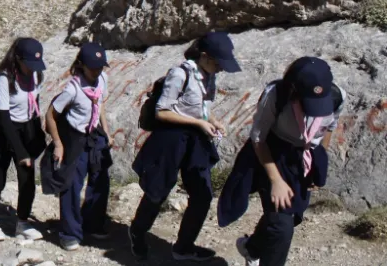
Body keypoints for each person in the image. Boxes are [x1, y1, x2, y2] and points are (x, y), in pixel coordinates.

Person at [218, 57, 346, 266]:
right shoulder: (276, 95)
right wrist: (276, 180)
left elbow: (328, 129)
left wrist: (317, 164)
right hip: (272, 154)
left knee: (291, 216)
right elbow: (258, 138)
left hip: (302, 158)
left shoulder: (337, 96)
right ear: (294, 89)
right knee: (281, 225)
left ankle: (252, 248)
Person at [129, 32, 241, 262]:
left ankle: (184, 246)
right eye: (218, 62)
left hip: (196, 140)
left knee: (202, 194)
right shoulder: (180, 74)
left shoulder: (209, 76)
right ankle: (137, 232)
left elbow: (201, 108)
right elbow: (162, 112)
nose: (220, 68)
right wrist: (198, 123)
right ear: (204, 56)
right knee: (157, 191)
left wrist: (213, 121)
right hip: (170, 138)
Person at [42, 42, 113, 251]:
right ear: (81, 65)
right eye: (93, 67)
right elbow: (50, 115)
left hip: (95, 135)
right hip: (75, 137)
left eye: (100, 67)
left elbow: (100, 103)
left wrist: (106, 131)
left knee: (100, 179)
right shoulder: (72, 89)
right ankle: (69, 232)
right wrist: (58, 144)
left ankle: (93, 223)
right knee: (72, 183)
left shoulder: (102, 78)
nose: (97, 71)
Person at [0, 37, 48, 242]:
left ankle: (22, 222)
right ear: (17, 59)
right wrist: (20, 152)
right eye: (29, 63)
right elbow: (3, 116)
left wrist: (35, 136)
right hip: (5, 129)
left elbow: (34, 104)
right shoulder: (5, 78)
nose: (32, 68)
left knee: (27, 179)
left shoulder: (35, 74)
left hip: (26, 128)